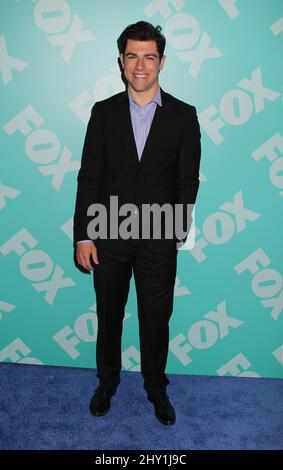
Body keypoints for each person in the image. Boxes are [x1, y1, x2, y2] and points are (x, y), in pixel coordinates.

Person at [73, 21, 201, 426]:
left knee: (155, 316)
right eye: (132, 56)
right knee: (109, 313)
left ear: (162, 62)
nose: (140, 65)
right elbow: (89, 176)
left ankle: (156, 388)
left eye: (149, 57)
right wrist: (84, 235)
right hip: (108, 234)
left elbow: (186, 178)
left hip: (157, 237)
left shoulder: (183, 115)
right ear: (122, 62)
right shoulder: (103, 113)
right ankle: (107, 382)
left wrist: (175, 231)